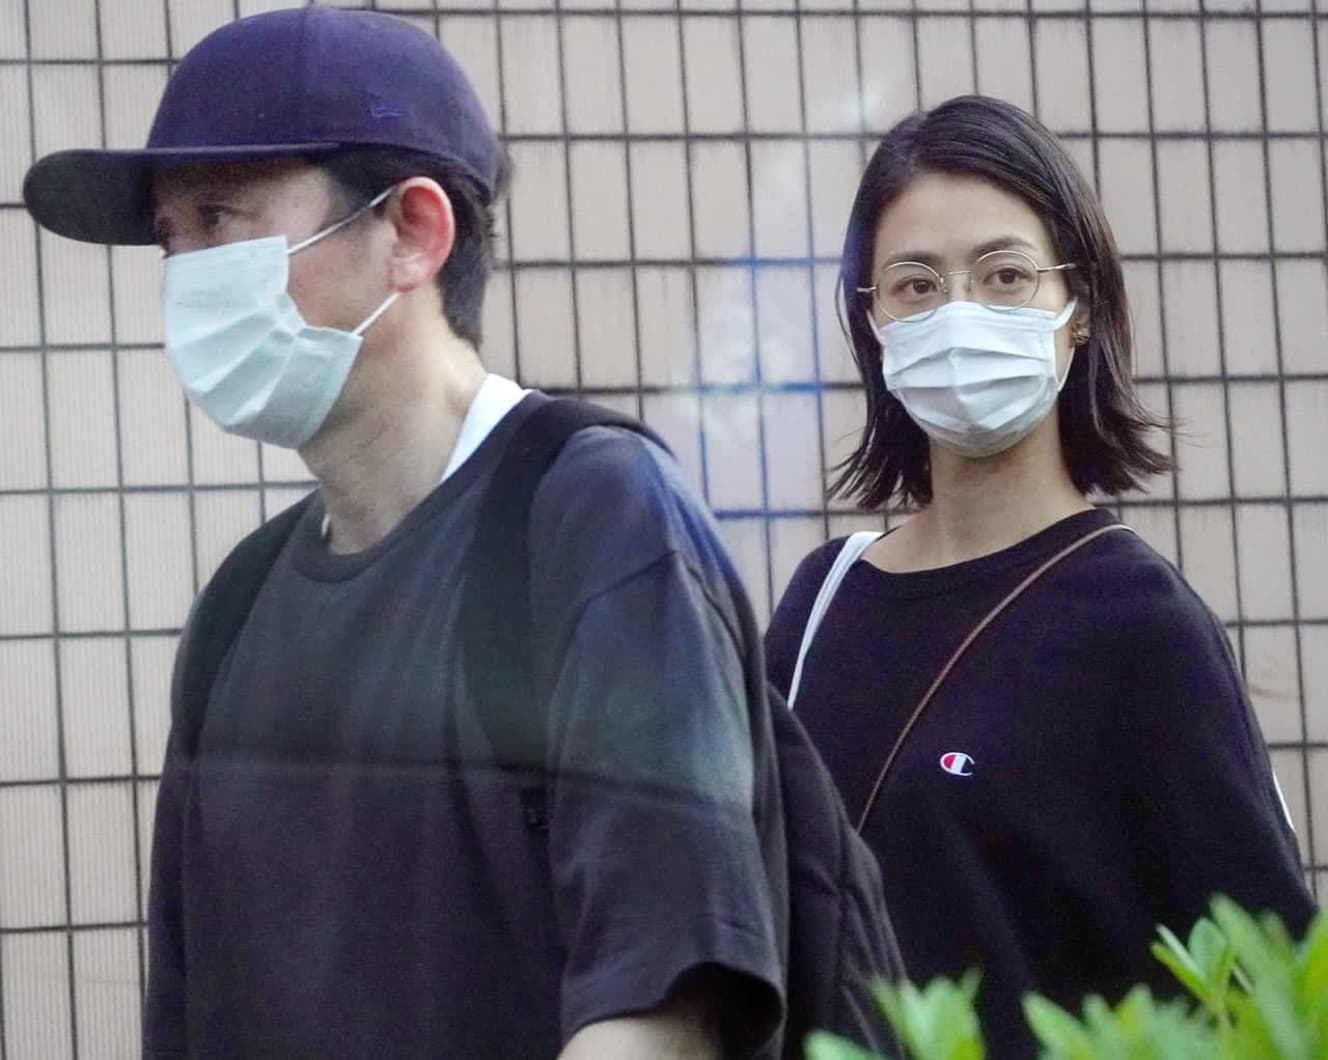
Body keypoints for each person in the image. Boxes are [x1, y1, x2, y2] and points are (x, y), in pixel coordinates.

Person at [23, 8, 786, 1057]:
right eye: (170, 238)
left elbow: (666, 1006)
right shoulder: (239, 605)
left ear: (413, 233)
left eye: (218, 218)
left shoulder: (591, 515)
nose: (185, 273)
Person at [764, 95, 1317, 1058]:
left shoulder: (1140, 626)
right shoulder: (823, 603)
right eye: (915, 285)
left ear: (1080, 308)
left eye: (1006, 275)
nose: (958, 315)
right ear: (874, 321)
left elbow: (1267, 992)